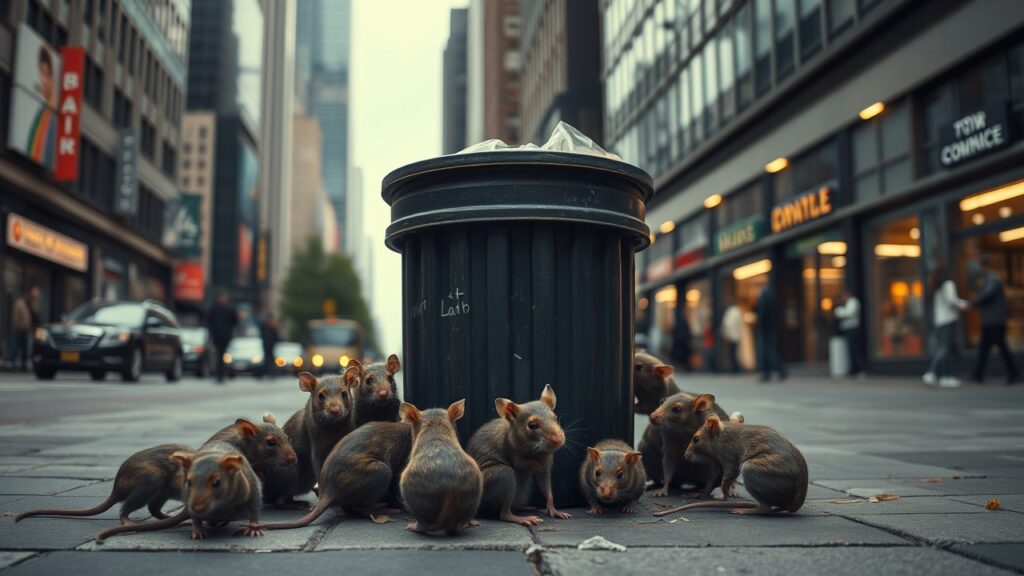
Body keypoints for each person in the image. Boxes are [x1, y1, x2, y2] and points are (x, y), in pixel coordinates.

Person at [970, 260, 1021, 385]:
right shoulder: (989, 279)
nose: (979, 271)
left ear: (984, 267)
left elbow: (988, 294)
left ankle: (1014, 373)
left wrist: (973, 303)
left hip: (995, 322)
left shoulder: (992, 280)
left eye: (980, 268)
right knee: (984, 348)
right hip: (990, 321)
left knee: (1000, 348)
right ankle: (978, 374)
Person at [923, 265, 967, 388]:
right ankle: (931, 373)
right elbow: (952, 301)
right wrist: (964, 304)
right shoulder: (948, 284)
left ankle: (947, 376)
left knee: (949, 349)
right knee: (945, 349)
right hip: (949, 320)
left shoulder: (937, 287)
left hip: (940, 322)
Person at [755, 284, 786, 382]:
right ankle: (769, 372)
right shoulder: (771, 297)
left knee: (767, 352)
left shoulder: (765, 297)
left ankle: (776, 371)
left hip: (765, 330)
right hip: (770, 329)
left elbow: (762, 315)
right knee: (769, 352)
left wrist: (759, 325)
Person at [207, 290, 238, 383]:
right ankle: (218, 374)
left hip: (225, 337)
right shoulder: (214, 309)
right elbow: (209, 321)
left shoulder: (228, 309)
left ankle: (221, 374)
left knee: (223, 356)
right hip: (217, 336)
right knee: (218, 355)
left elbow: (235, 320)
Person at [5, 287, 39, 371]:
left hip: (27, 329)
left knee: (25, 348)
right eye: (32, 295)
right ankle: (9, 362)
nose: (34, 297)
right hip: (19, 328)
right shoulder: (20, 303)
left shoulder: (32, 303)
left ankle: (24, 364)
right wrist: (18, 325)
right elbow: (16, 316)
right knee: (15, 346)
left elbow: (34, 316)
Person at [834, 289, 865, 378]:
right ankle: (853, 369)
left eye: (843, 296)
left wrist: (839, 312)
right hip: (848, 329)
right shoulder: (847, 303)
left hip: (853, 329)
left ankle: (858, 369)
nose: (843, 298)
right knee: (850, 350)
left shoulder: (853, 302)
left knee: (854, 349)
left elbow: (849, 313)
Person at [720, 298, 743, 373]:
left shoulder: (731, 312)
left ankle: (735, 369)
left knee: (732, 354)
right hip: (736, 335)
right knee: (734, 353)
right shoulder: (737, 311)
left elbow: (727, 324)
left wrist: (725, 333)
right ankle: (736, 369)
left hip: (731, 336)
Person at [260, 313, 279, 379]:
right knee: (268, 358)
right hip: (267, 344)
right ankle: (268, 372)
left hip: (271, 344)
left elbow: (276, 336)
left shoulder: (273, 326)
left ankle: (271, 373)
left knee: (270, 359)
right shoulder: (265, 325)